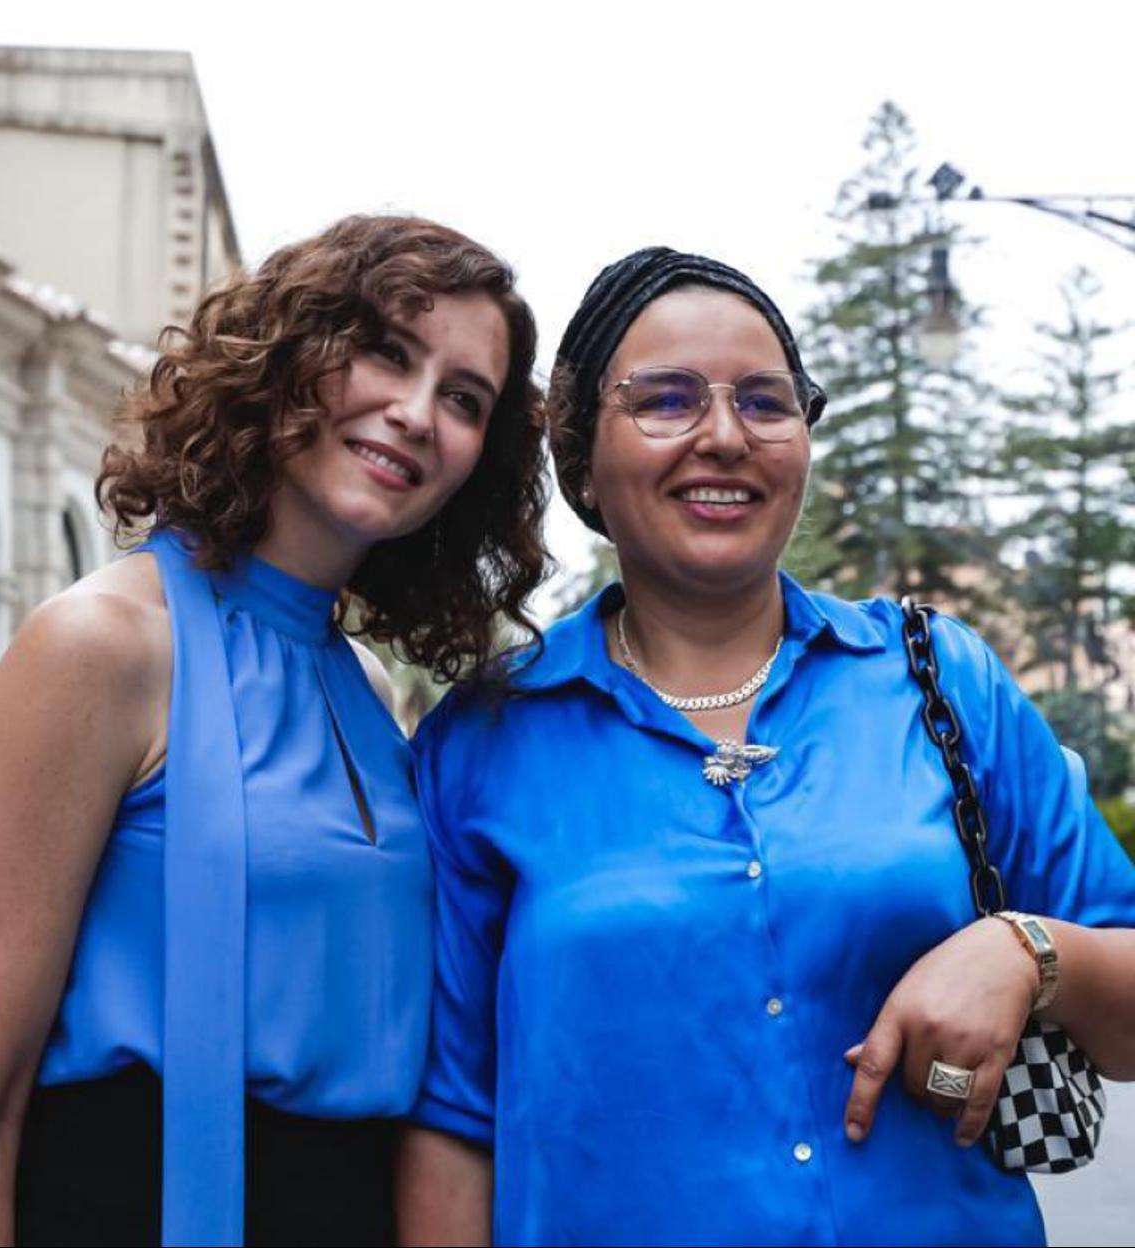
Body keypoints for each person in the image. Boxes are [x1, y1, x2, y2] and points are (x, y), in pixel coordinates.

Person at [397, 246, 1135, 1247]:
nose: (723, 436)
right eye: (664, 400)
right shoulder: (479, 745)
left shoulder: (940, 680)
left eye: (765, 401)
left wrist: (1029, 952)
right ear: (578, 457)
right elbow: (453, 1126)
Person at [0, 214, 549, 1247]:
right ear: (290, 356)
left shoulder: (374, 692)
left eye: (463, 399)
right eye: (386, 351)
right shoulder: (101, 648)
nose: (417, 413)